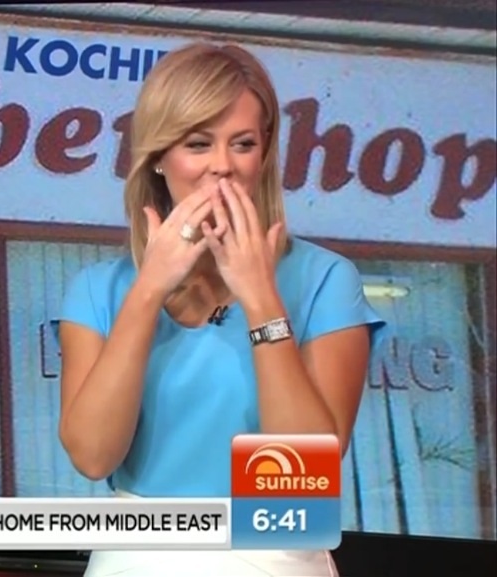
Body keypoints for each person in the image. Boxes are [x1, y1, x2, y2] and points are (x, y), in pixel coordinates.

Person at [56, 42, 387, 576]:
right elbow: (94, 456)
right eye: (198, 143)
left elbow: (301, 479)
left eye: (243, 144)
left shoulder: (324, 279)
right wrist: (149, 291)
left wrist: (259, 298)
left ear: (264, 153)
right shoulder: (99, 289)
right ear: (159, 156)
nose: (222, 167)